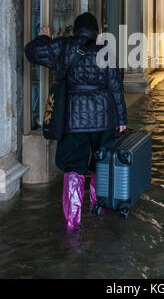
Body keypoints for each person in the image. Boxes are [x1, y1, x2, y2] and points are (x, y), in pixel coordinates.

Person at [24, 12, 127, 230]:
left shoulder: (63, 46)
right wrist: (121, 119)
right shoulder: (105, 51)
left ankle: (73, 222)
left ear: (76, 29)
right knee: (102, 163)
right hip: (104, 118)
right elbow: (116, 86)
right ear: (96, 31)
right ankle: (99, 209)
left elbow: (31, 52)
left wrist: (45, 38)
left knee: (74, 168)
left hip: (74, 119)